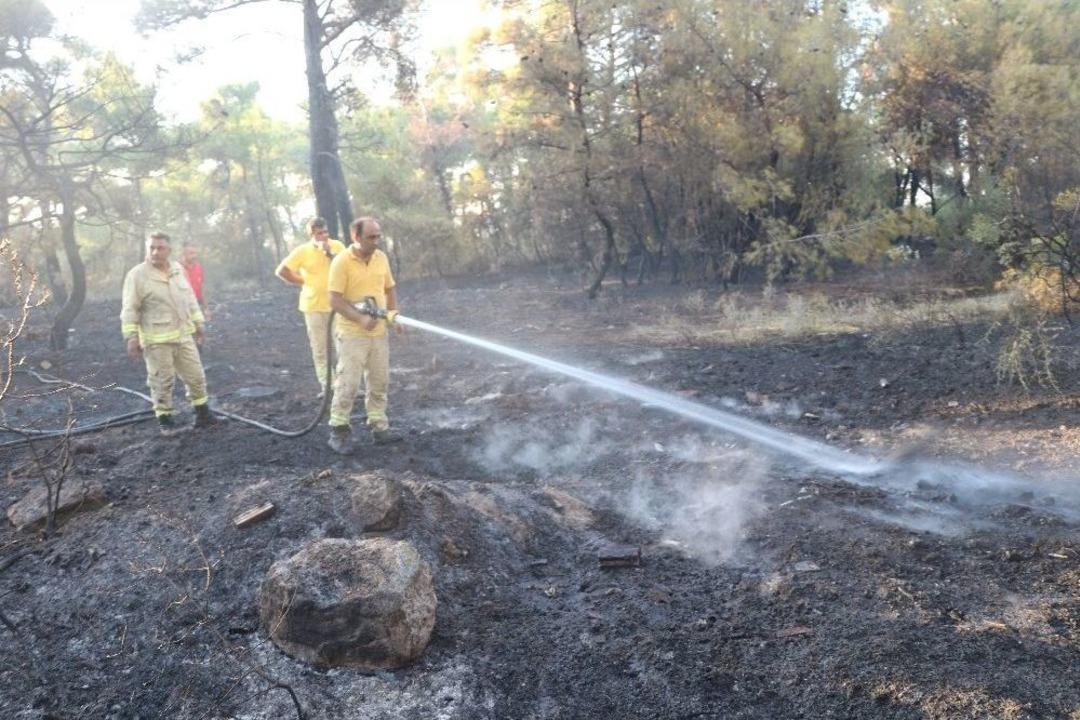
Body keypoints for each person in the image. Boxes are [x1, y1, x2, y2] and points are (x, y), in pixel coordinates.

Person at [121, 232, 215, 435]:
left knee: (196, 375)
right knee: (162, 380)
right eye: (151, 247)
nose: (155, 252)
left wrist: (199, 322)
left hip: (183, 335)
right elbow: (130, 308)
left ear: (169, 250)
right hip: (156, 340)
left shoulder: (177, 270)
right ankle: (165, 420)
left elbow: (189, 297)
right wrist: (131, 337)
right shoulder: (137, 275)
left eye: (160, 248)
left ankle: (203, 414)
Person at [326, 216, 402, 452]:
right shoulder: (341, 262)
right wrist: (360, 318)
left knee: (379, 380)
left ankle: (379, 426)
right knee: (348, 382)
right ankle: (338, 430)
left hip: (378, 332)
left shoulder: (380, 258)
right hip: (351, 334)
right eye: (371, 237)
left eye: (378, 236)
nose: (376, 241)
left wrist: (393, 315)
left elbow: (389, 289)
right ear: (355, 236)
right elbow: (334, 299)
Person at [275, 218, 347, 396]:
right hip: (313, 305)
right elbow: (281, 270)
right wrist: (302, 281)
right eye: (319, 233)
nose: (323, 236)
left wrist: (329, 254)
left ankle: (346, 383)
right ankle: (327, 384)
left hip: (337, 305)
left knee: (343, 345)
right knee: (320, 347)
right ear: (311, 235)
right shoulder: (302, 251)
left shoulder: (337, 246)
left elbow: (348, 267)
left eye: (325, 232)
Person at [179, 241, 209, 320]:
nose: (194, 256)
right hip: (182, 307)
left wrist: (206, 308)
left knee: (199, 329)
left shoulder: (198, 267)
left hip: (197, 304)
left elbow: (202, 288)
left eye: (195, 253)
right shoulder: (177, 268)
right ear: (184, 254)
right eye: (191, 253)